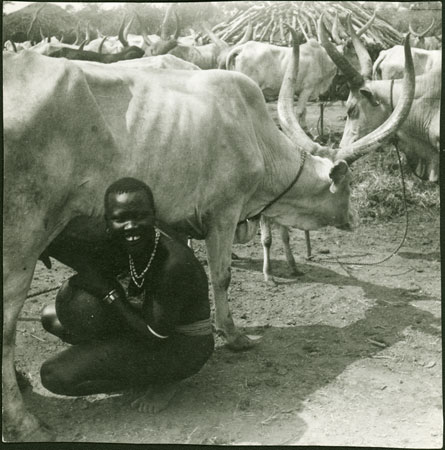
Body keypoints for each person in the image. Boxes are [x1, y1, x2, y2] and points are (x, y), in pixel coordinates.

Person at [40, 177, 214, 413]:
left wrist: (108, 294)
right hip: (147, 323)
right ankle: (126, 362)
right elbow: (85, 256)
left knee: (54, 376)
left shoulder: (173, 262)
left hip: (182, 345)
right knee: (51, 316)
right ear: (108, 221)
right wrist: (44, 245)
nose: (130, 225)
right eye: (120, 219)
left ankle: (161, 380)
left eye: (139, 216)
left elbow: (156, 333)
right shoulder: (124, 239)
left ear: (153, 215)